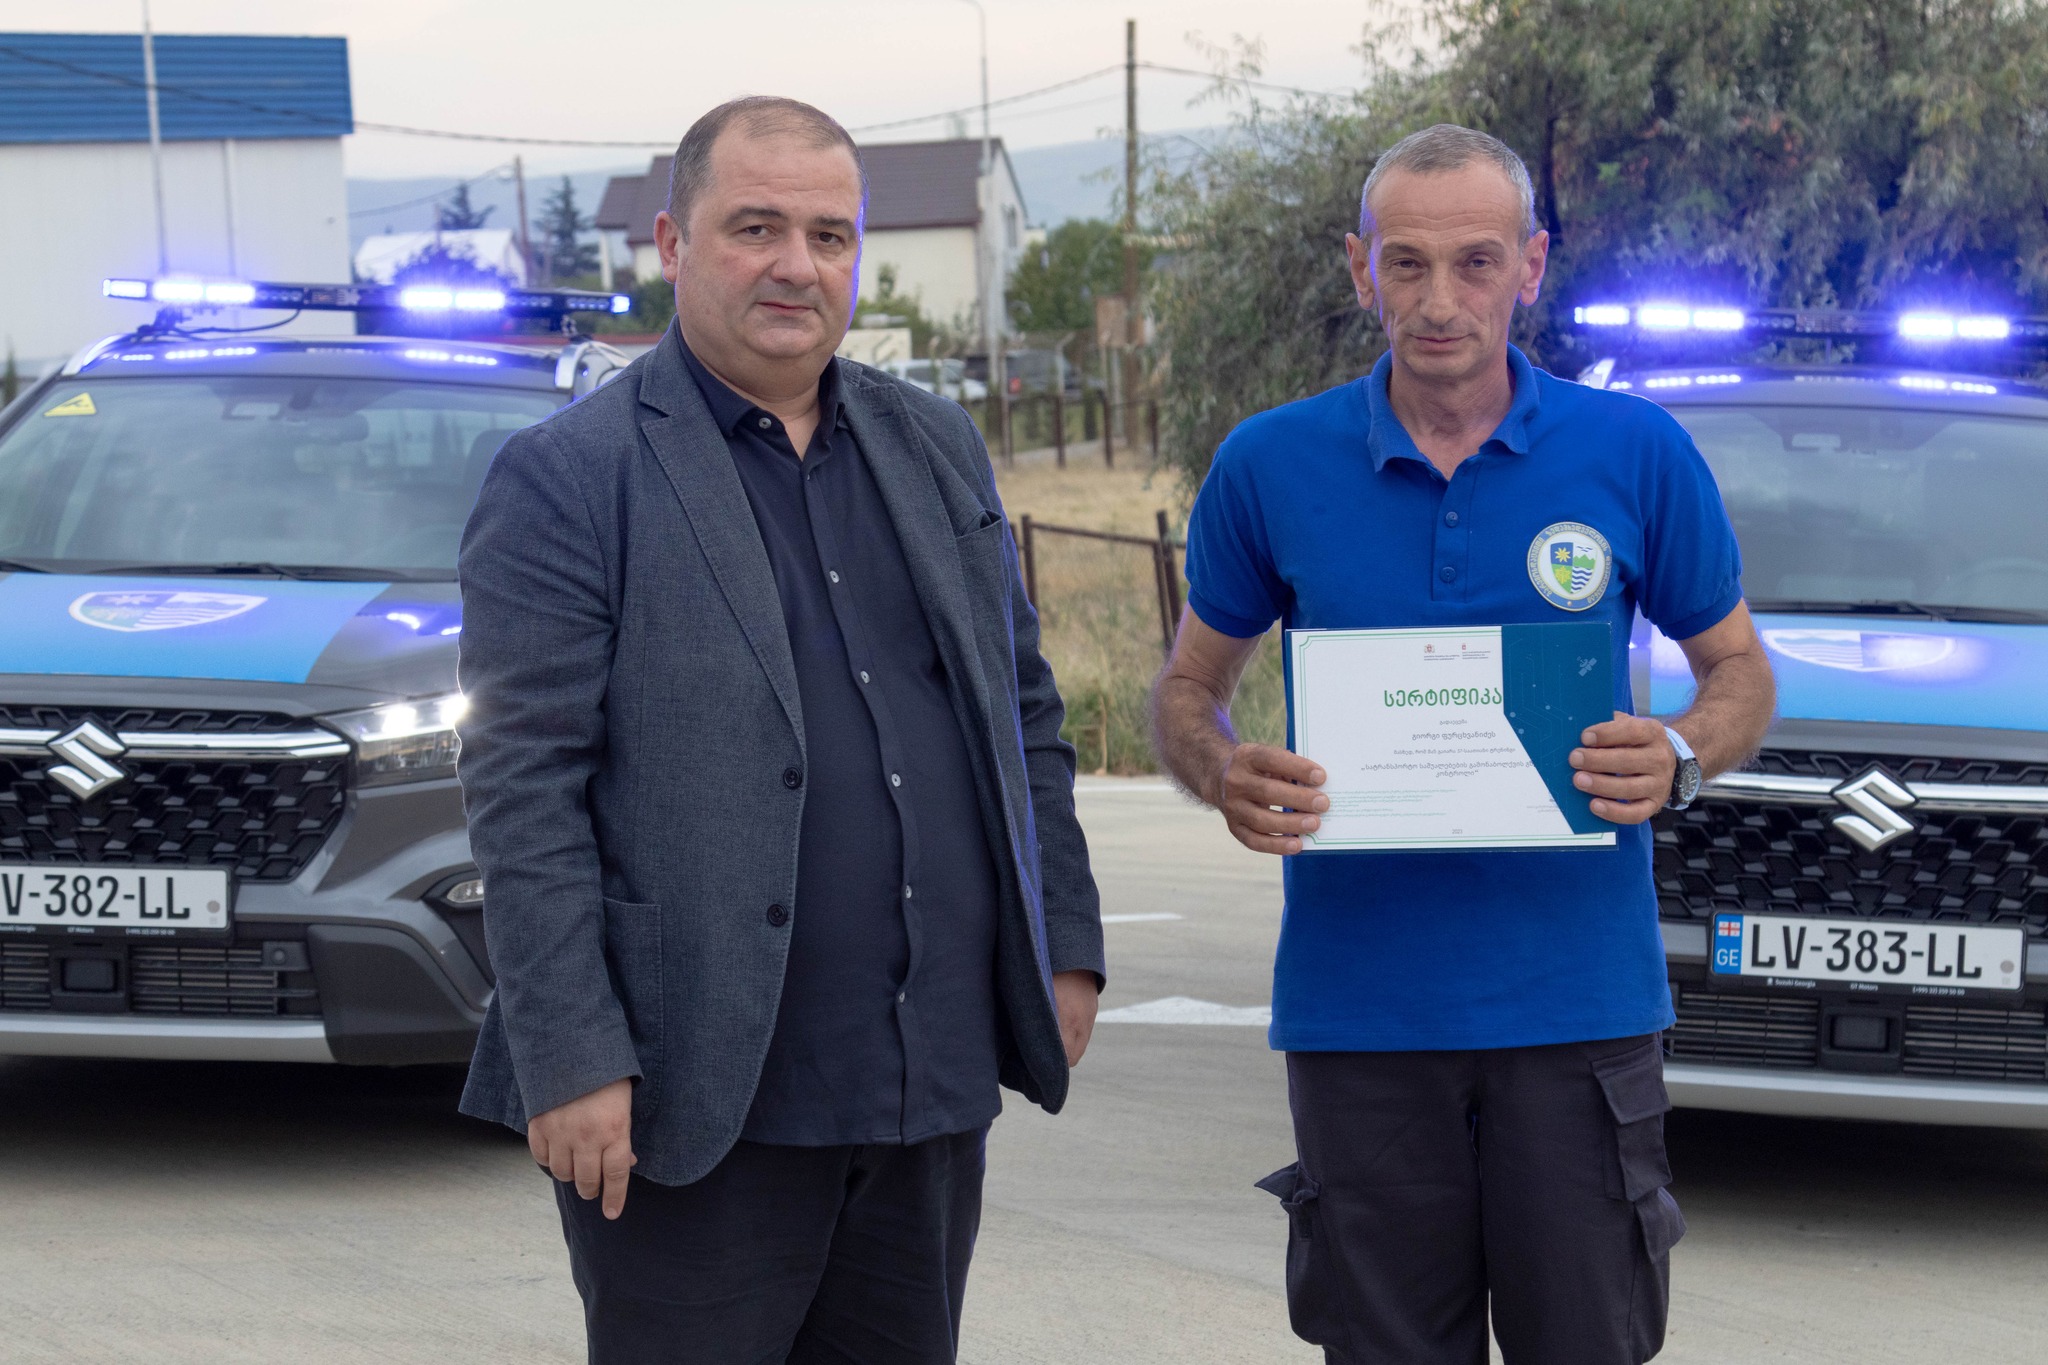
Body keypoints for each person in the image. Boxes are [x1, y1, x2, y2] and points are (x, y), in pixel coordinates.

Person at [455, 96, 1104, 1364]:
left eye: (828, 234)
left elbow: (1020, 711)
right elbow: (524, 792)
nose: (796, 265)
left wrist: (1063, 941)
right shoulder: (570, 476)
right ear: (672, 243)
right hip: (691, 1096)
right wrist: (571, 1056)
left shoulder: (934, 444)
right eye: (754, 228)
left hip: (923, 1083)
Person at [1152, 123, 1776, 1365]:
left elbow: (1739, 672)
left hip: (1578, 1010)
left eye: (1476, 261)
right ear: (1358, 268)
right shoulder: (1268, 464)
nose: (1438, 301)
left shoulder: (1633, 451)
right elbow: (1185, 689)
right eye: (1405, 263)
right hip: (1358, 1018)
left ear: (1530, 266)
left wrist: (1681, 755)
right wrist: (1223, 771)